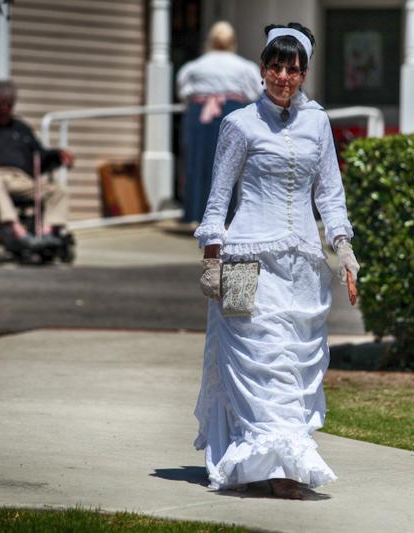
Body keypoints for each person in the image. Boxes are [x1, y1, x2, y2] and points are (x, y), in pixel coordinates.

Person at [192, 22, 360, 499]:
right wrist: (211, 258)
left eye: (293, 68)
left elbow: (330, 194)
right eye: (275, 66)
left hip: (303, 266)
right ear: (262, 69)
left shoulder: (318, 123)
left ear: (303, 72)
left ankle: (279, 460)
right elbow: (218, 197)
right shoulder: (240, 123)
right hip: (246, 261)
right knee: (261, 360)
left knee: (294, 366)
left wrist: (344, 251)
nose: (283, 76)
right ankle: (278, 467)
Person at [0, 79, 74, 248]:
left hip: (21, 179)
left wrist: (58, 155)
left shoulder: (21, 128)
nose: (4, 109)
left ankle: (46, 235)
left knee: (58, 190)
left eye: (8, 105)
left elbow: (40, 154)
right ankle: (17, 232)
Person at [176, 21, 263, 224]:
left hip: (200, 114)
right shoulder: (243, 66)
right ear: (233, 41)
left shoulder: (195, 66)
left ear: (210, 41)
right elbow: (256, 91)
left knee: (197, 164)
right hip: (232, 113)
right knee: (231, 165)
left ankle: (195, 214)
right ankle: (228, 216)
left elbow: (183, 89)